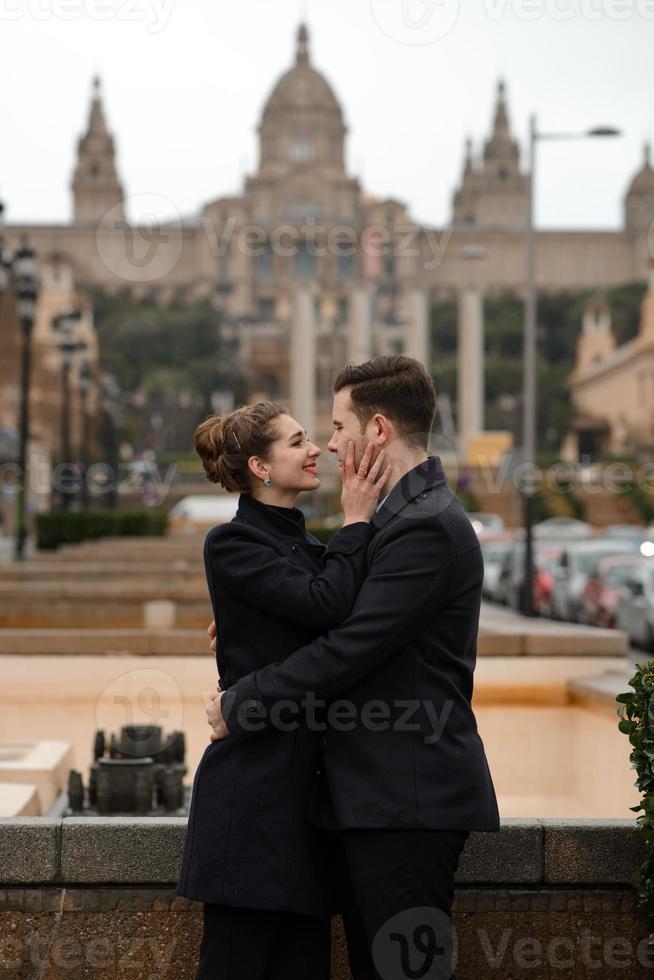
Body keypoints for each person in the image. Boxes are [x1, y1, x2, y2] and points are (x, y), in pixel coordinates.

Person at [207, 355, 501, 980]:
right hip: (377, 802)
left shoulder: (422, 527)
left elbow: (351, 646)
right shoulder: (400, 518)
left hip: (407, 802)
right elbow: (329, 610)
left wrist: (243, 701)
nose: (331, 445)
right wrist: (248, 626)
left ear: (378, 431)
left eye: (339, 427)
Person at [175, 400, 391, 980]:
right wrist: (355, 521)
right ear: (260, 466)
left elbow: (344, 615)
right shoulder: (233, 543)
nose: (315, 447)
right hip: (252, 797)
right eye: (296, 441)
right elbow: (328, 604)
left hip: (303, 800)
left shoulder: (302, 546)